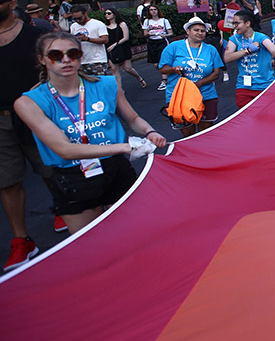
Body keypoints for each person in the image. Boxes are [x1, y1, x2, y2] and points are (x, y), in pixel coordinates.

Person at [14, 32, 165, 234]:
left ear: (81, 56)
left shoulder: (107, 84)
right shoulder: (28, 102)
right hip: (74, 176)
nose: (66, 59)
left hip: (115, 169)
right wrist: (127, 146)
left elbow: (133, 119)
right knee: (92, 245)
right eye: (55, 55)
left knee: (134, 234)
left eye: (72, 53)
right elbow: (64, 149)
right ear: (42, 59)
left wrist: (149, 131)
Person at [0, 0, 58, 271]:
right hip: (1, 120)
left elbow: (56, 71)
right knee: (7, 180)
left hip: (36, 114)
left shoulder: (36, 36)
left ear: (11, 4)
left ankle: (63, 207)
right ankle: (21, 240)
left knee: (48, 168)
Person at [159, 17, 224, 137]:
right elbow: (162, 69)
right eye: (196, 30)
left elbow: (216, 73)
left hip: (206, 95)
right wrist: (174, 69)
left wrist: (199, 83)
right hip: (179, 96)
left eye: (202, 31)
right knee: (187, 133)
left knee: (205, 132)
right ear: (188, 31)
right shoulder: (174, 47)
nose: (199, 33)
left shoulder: (211, 49)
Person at [223, 10, 275, 108]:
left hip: (264, 85)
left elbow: (274, 51)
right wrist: (247, 50)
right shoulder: (234, 39)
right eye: (233, 23)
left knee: (266, 117)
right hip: (244, 87)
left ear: (247, 23)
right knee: (246, 118)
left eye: (237, 23)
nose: (234, 26)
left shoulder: (260, 37)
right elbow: (227, 58)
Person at [103, 9, 146, 88]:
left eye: (109, 13)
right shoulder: (104, 26)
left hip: (122, 48)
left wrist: (115, 45)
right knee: (114, 70)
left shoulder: (122, 24)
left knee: (127, 68)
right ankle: (119, 90)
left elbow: (126, 37)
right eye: (105, 14)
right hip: (110, 50)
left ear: (114, 14)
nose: (107, 15)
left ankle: (139, 78)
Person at [69, 4, 111, 76]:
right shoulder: (73, 26)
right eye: (75, 19)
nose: (77, 21)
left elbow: (105, 39)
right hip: (82, 61)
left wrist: (87, 39)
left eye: (79, 18)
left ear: (85, 14)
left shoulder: (98, 24)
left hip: (98, 60)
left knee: (100, 83)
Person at [142, 5, 172, 90]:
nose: (153, 11)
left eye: (155, 9)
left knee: (162, 60)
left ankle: (164, 80)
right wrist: (148, 34)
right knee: (155, 63)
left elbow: (170, 32)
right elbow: (145, 34)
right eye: (151, 10)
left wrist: (165, 35)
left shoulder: (164, 21)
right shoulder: (147, 21)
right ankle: (167, 73)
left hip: (161, 41)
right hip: (152, 42)